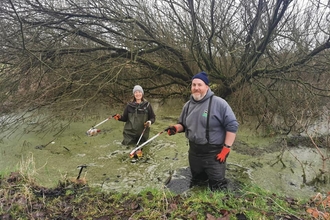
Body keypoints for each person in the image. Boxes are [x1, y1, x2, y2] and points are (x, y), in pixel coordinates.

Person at [166, 71, 239, 191]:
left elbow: (232, 126)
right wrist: (175, 128)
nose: (196, 88)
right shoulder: (188, 105)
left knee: (218, 186)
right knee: (198, 183)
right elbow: (183, 124)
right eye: (194, 85)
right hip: (194, 152)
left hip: (214, 154)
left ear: (207, 87)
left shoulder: (219, 103)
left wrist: (226, 148)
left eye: (199, 85)